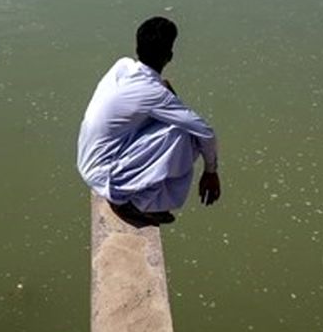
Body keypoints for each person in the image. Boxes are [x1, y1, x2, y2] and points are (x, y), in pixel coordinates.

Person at [76, 17, 221, 226]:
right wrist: (211, 172)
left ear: (137, 47)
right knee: (183, 134)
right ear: (169, 56)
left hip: (88, 160)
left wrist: (165, 91)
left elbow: (153, 91)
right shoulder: (153, 93)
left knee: (172, 119)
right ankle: (133, 204)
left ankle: (135, 196)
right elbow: (205, 131)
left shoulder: (122, 66)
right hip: (106, 175)